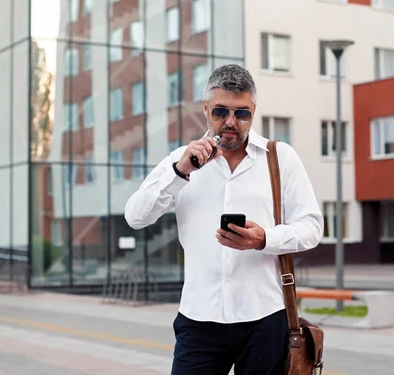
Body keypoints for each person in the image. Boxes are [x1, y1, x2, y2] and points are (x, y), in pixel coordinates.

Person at [124, 64, 323, 374]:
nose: (231, 122)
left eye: (241, 113)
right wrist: (180, 173)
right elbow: (136, 216)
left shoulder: (280, 157)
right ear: (206, 109)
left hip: (265, 318)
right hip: (199, 319)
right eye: (221, 111)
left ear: (253, 111)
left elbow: (312, 227)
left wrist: (265, 240)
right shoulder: (180, 160)